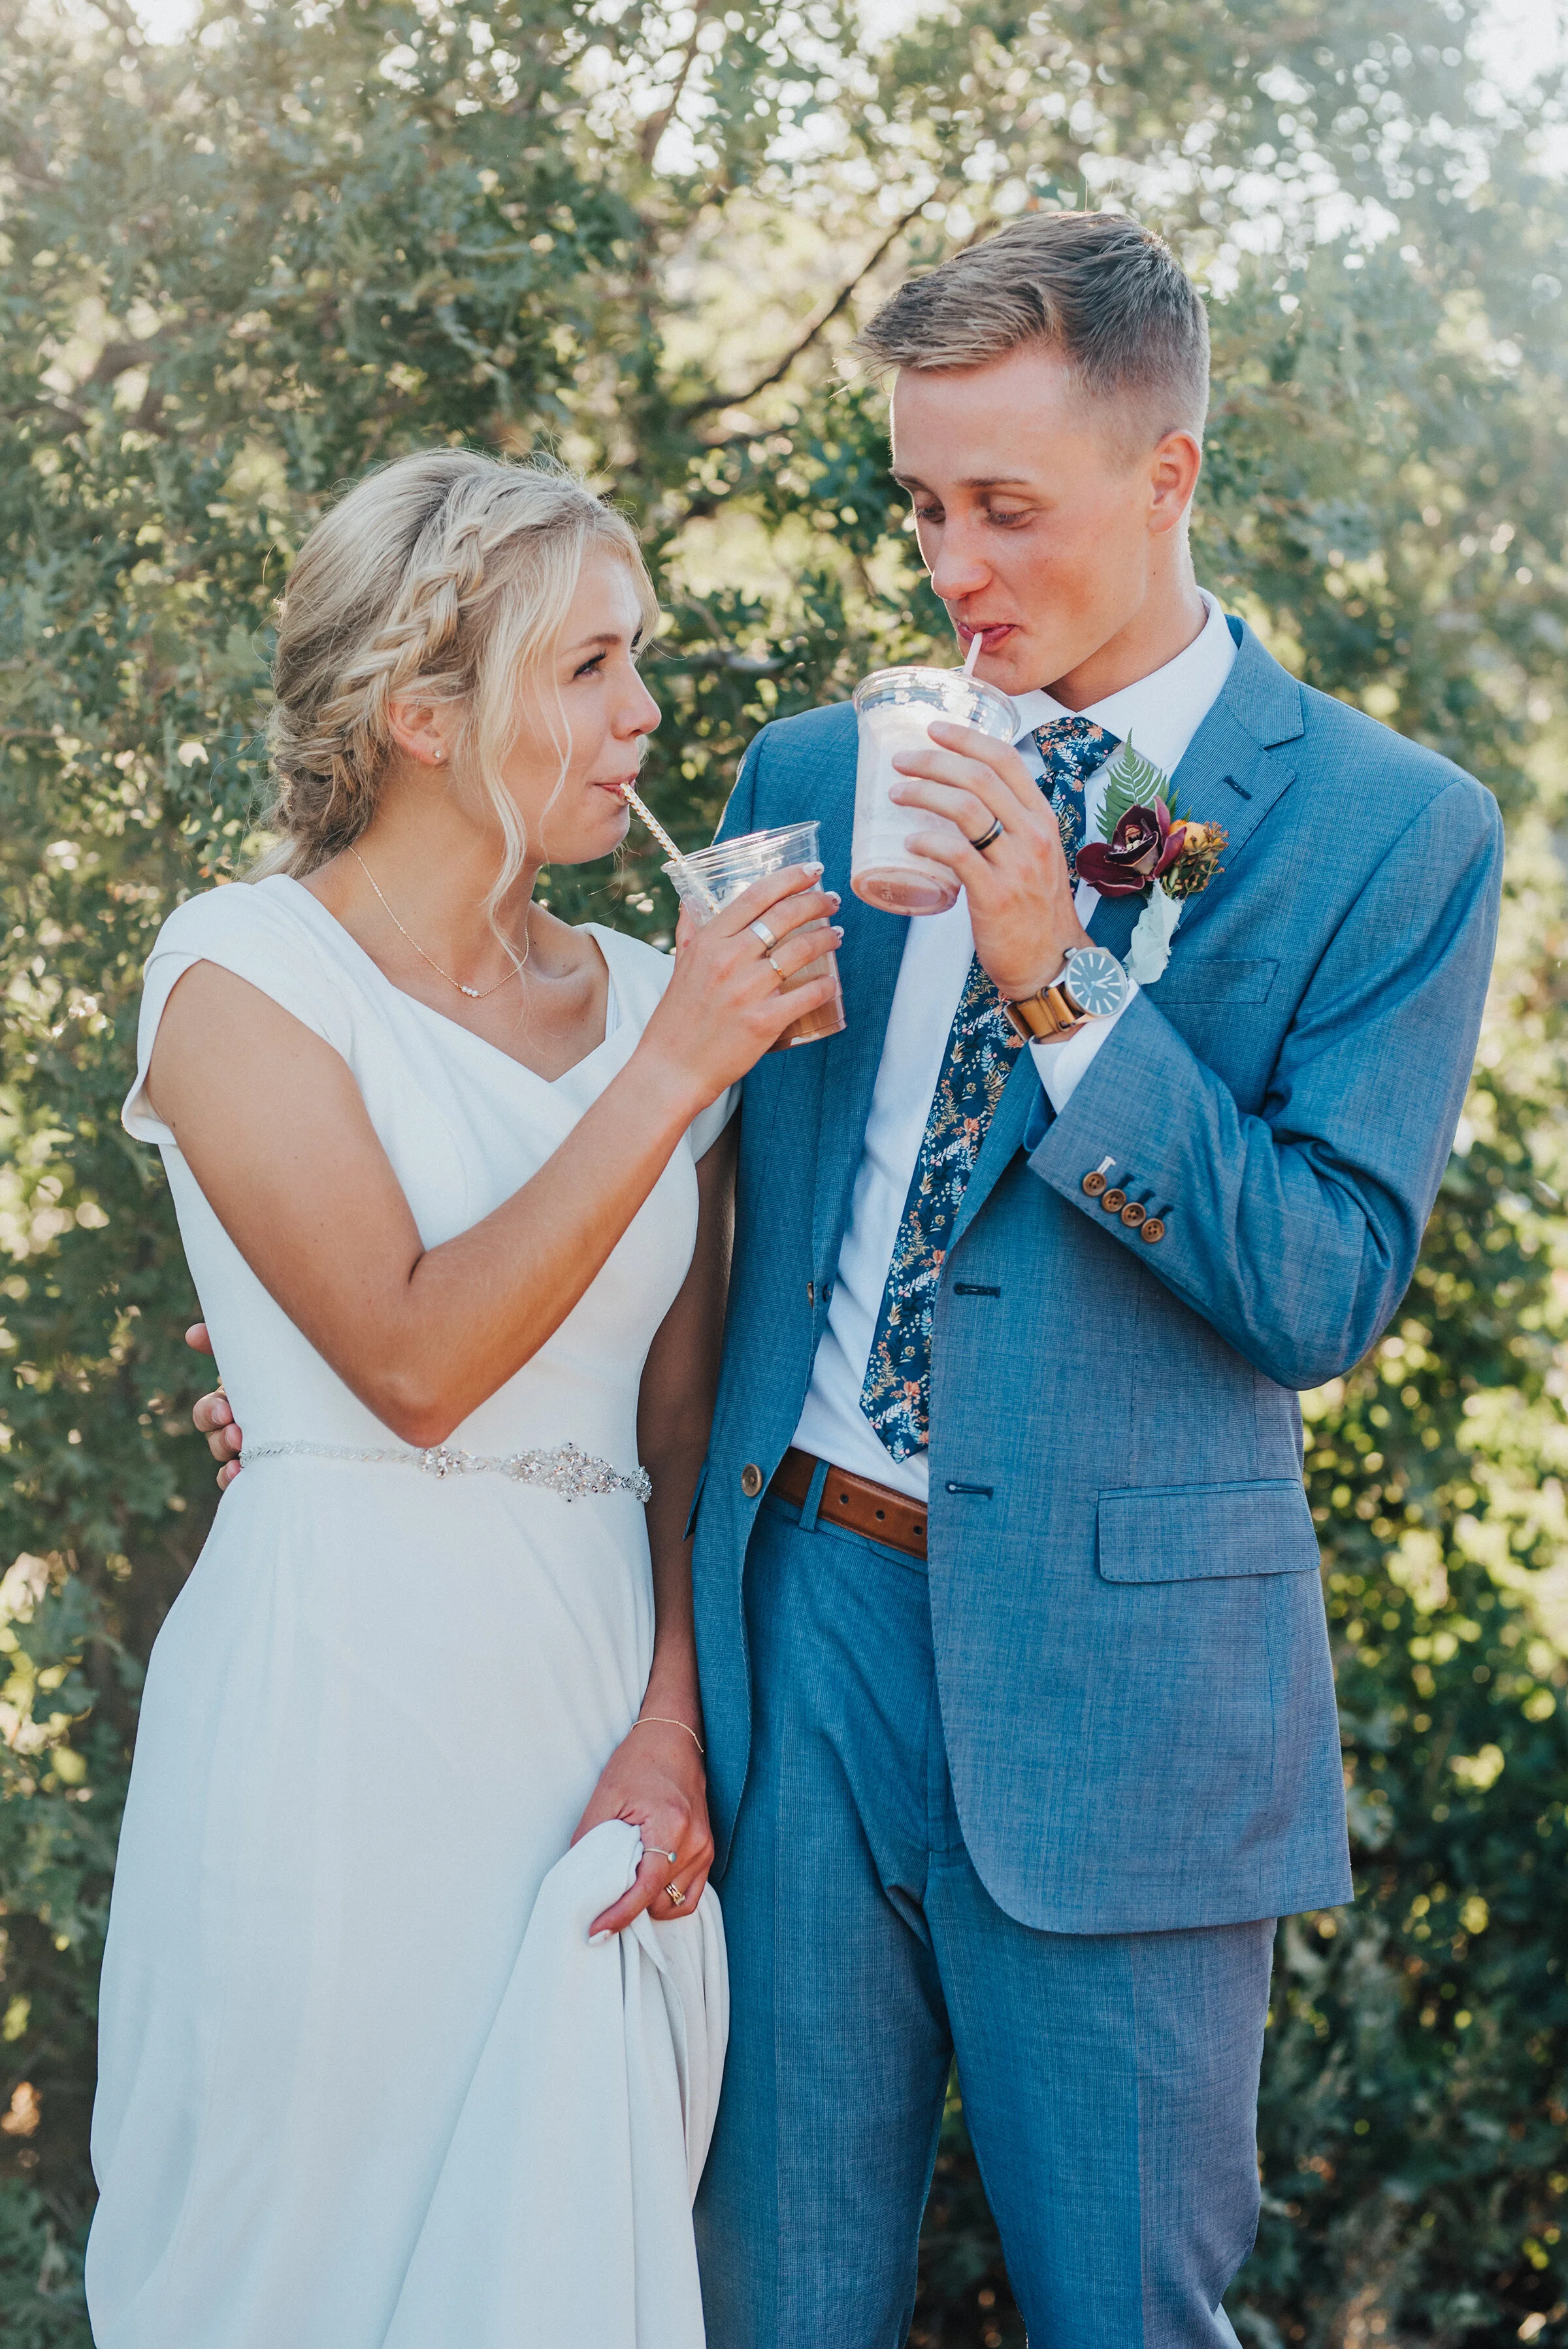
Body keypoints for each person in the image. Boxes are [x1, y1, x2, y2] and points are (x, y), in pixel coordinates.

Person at [191, 218, 1503, 2347]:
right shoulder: (812, 778)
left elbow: (1325, 1289)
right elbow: (689, 1206)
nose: (954, 566)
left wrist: (1058, 982)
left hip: (1129, 1698)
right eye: (920, 505)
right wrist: (316, 1379)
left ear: (1168, 478)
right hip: (784, 1639)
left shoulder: (1390, 831)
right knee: (762, 2305)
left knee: (1129, 2318)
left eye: (1009, 508)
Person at [88, 450, 839, 2349]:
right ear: (421, 714)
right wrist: (672, 1079)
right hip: (337, 1713)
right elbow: (413, 1366)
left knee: (562, 2262)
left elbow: (684, 1436)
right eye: (587, 666)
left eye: (641, 656)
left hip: (587, 1707)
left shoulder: (666, 994)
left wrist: (669, 1725)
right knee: (305, 2258)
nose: (648, 712)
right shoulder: (240, 975)